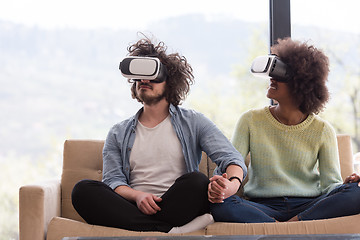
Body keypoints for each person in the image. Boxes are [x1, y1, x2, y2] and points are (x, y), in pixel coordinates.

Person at [71, 36, 247, 233]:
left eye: (152, 74)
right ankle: (167, 231)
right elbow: (113, 180)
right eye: (140, 75)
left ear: (169, 82)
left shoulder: (193, 122)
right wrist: (138, 196)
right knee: (82, 190)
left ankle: (143, 229)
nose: (144, 80)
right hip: (131, 206)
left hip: (177, 204)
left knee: (197, 181)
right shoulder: (118, 132)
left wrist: (231, 186)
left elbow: (232, 158)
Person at [208, 37, 360, 223]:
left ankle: (287, 224)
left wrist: (345, 186)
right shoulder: (250, 120)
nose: (272, 78)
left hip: (308, 204)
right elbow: (230, 163)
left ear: (302, 84)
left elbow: (330, 185)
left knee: (356, 193)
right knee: (218, 204)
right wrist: (222, 185)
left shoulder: (322, 129)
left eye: (281, 74)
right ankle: (283, 226)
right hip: (261, 206)